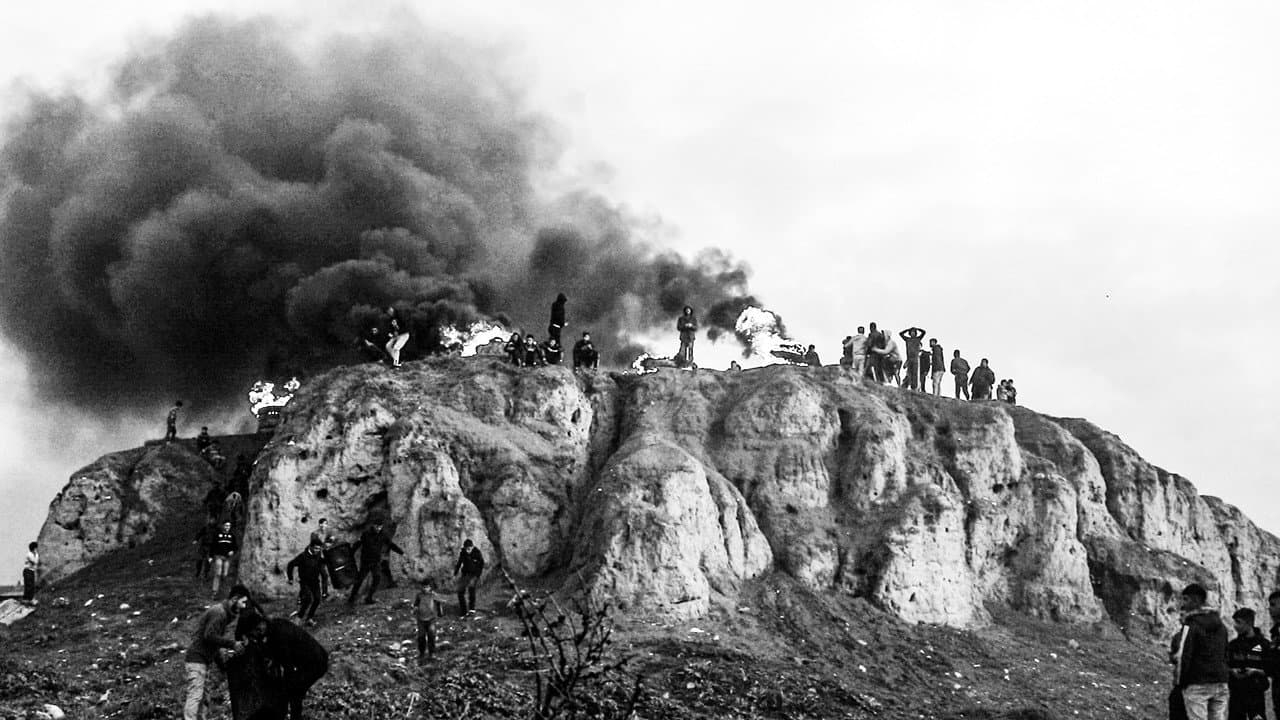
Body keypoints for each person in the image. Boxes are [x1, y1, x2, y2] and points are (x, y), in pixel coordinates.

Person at [183, 584, 250, 720]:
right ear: (235, 599)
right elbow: (209, 636)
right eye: (243, 602)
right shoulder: (219, 613)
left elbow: (214, 642)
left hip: (203, 660)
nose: (244, 606)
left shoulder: (224, 615)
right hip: (197, 659)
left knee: (204, 697)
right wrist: (232, 644)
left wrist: (221, 665)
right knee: (195, 695)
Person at [1171, 583, 1229, 720]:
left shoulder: (1191, 625)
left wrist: (1180, 683)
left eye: (1186, 599)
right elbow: (1226, 654)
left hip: (1198, 683)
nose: (1183, 604)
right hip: (1220, 682)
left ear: (1196, 600)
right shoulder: (1221, 626)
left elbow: (1183, 656)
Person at [347, 521, 403, 606]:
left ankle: (369, 598)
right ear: (373, 525)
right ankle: (352, 598)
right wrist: (350, 553)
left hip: (376, 561)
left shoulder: (382, 535)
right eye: (377, 527)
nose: (379, 529)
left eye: (380, 527)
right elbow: (357, 544)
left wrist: (401, 552)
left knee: (377, 578)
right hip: (366, 562)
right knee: (360, 580)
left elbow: (390, 544)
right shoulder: (366, 534)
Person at [1226, 607, 1268, 720]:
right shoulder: (1233, 645)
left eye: (1238, 622)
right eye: (1234, 622)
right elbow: (1225, 665)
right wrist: (1232, 671)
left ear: (1249, 623)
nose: (1235, 626)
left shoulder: (1263, 644)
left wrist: (1255, 671)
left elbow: (1271, 669)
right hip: (1236, 692)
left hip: (1256, 693)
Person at [286, 542, 330, 626]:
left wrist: (327, 553)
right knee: (308, 599)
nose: (317, 550)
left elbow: (323, 562)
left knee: (317, 599)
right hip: (305, 582)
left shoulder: (317, 556)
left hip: (315, 582)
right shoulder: (302, 556)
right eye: (316, 548)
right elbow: (290, 564)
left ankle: (309, 618)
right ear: (311, 547)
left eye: (319, 549)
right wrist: (290, 578)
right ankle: (298, 618)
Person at [412, 579, 445, 664]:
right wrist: (415, 609)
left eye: (427, 587)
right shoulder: (419, 595)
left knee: (431, 633)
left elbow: (439, 604)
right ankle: (421, 653)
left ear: (430, 588)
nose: (425, 589)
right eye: (424, 587)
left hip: (431, 619)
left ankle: (432, 653)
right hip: (421, 619)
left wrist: (440, 612)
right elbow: (416, 604)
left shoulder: (433, 595)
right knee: (421, 636)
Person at [454, 539, 485, 616]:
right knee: (460, 591)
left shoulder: (477, 553)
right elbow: (459, 563)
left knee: (471, 589)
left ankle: (471, 609)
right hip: (465, 574)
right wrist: (455, 573)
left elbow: (481, 564)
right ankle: (463, 611)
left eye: (469, 549)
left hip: (474, 574)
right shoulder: (463, 553)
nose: (468, 551)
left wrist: (477, 575)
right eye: (466, 549)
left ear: (472, 547)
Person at [210, 521, 238, 596]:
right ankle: (214, 591)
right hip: (218, 556)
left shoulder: (232, 536)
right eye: (226, 525)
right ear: (223, 526)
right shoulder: (217, 535)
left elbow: (235, 546)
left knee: (225, 574)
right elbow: (213, 545)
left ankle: (222, 590)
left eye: (229, 526)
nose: (227, 527)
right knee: (218, 573)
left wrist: (233, 551)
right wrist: (210, 556)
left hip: (227, 558)